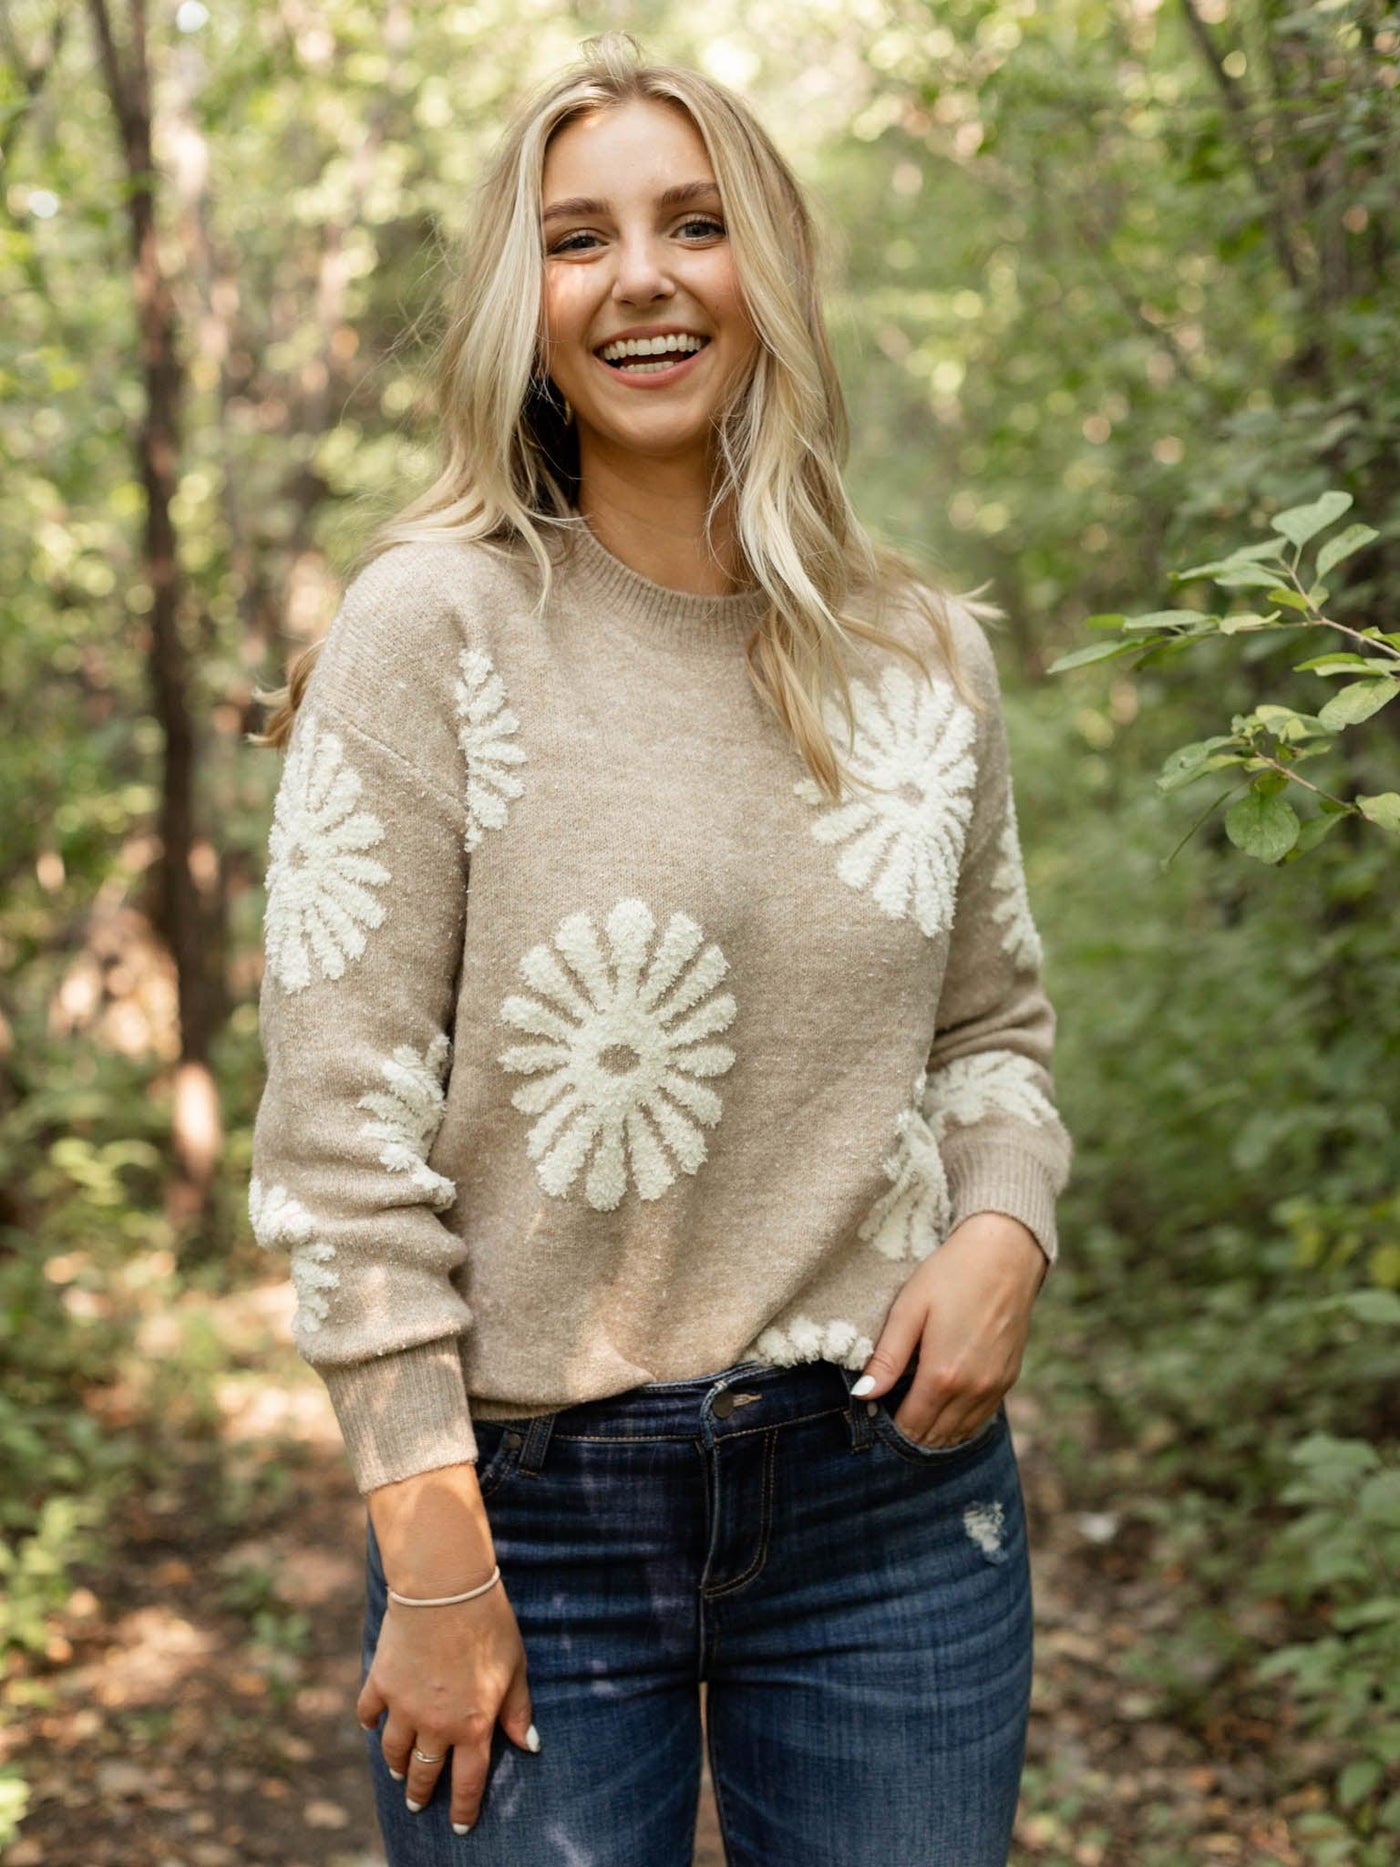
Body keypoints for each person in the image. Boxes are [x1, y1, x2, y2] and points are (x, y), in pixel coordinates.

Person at [248, 29, 1072, 1866]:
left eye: (695, 225)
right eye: (578, 239)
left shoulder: (921, 655)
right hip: (525, 1513)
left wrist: (1005, 1225)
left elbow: (992, 1032)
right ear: (522, 306)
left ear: (767, 269)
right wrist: (432, 1556)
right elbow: (335, 1141)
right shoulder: (431, 629)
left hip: (889, 1496)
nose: (641, 278)